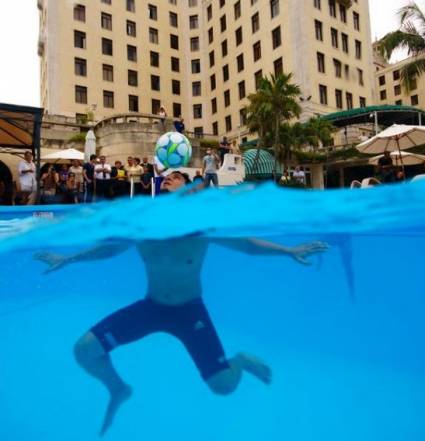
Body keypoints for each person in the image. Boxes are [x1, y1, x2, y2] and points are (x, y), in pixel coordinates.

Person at [34, 170, 328, 436]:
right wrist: (68, 259)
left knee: (223, 386)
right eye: (167, 178)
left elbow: (248, 245)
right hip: (152, 308)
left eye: (177, 176)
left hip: (189, 312)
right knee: (84, 351)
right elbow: (109, 249)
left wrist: (289, 250)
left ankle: (238, 361)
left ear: (190, 189)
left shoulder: (202, 227)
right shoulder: (144, 224)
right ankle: (118, 388)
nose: (169, 179)